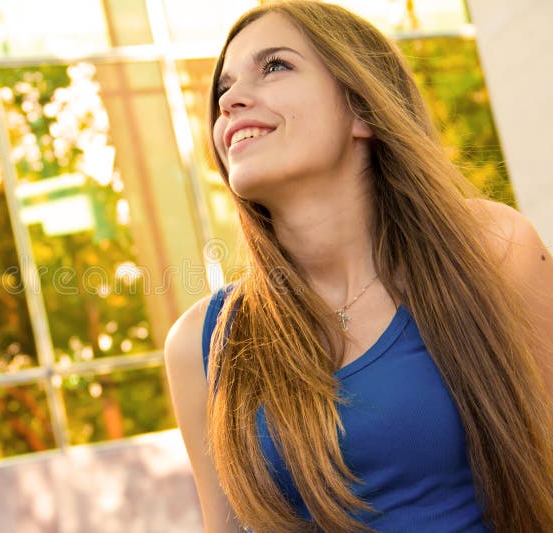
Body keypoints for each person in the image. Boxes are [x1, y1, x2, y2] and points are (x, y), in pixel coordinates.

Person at [163, 2, 553, 532]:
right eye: (223, 90)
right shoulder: (201, 343)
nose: (229, 100)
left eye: (275, 66)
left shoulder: (492, 249)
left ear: (361, 109)